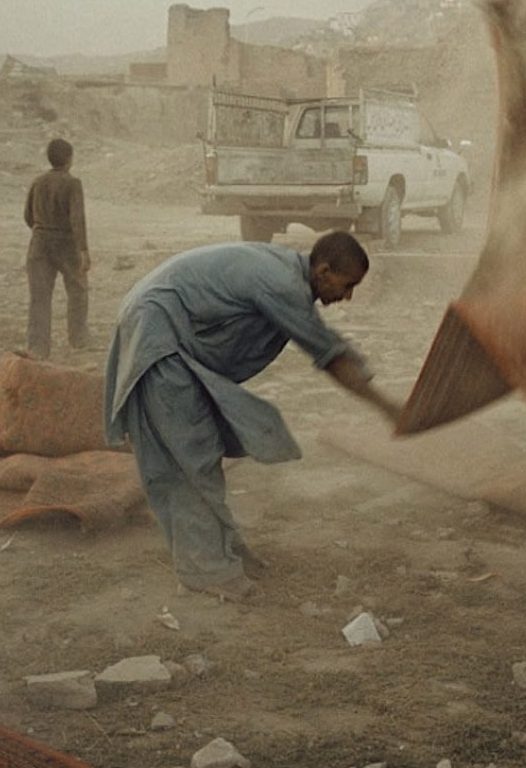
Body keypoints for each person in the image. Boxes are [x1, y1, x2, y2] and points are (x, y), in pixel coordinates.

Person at [104, 231, 401, 600]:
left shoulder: (287, 273)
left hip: (164, 329)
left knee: (200, 447)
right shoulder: (283, 285)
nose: (348, 296)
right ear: (323, 270)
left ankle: (222, 549)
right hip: (158, 334)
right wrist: (389, 408)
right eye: (348, 285)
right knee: (189, 456)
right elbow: (330, 354)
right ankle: (206, 569)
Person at [24, 138, 90, 359]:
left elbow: (28, 216)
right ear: (69, 159)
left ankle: (37, 347)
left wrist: (42, 229)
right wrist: (83, 250)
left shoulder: (38, 181)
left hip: (39, 243)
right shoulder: (73, 184)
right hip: (65, 243)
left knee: (40, 297)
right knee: (78, 289)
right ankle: (78, 338)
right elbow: (77, 219)